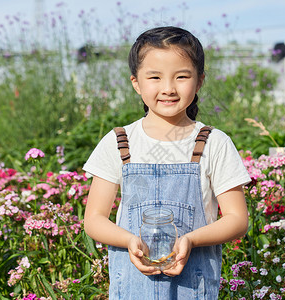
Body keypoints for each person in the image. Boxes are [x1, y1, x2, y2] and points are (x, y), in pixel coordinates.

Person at [83, 26, 251, 299]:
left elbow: (237, 219)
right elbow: (94, 219)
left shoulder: (214, 143)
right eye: (155, 77)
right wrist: (129, 241)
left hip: (193, 290)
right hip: (131, 287)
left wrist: (191, 240)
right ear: (136, 82)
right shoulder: (119, 142)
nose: (168, 88)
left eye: (182, 76)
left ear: (199, 82)